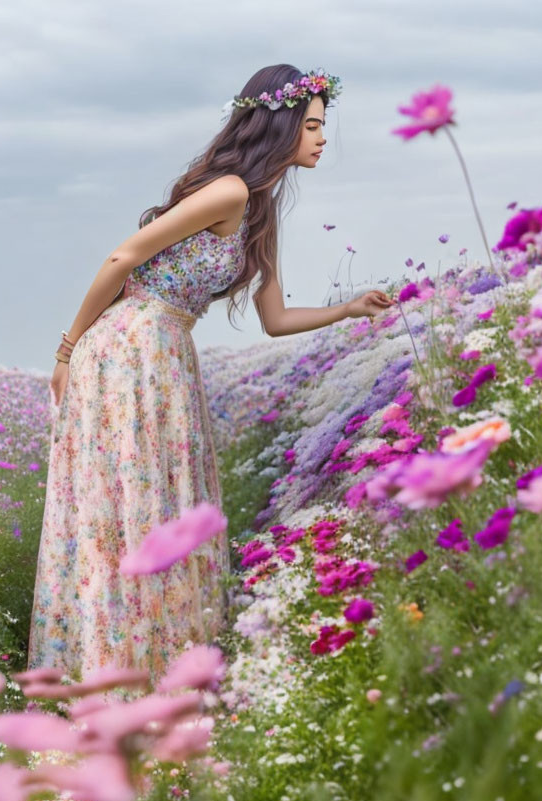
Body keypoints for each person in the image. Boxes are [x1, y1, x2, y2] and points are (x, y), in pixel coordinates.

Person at [27, 63, 395, 684]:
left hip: (170, 353)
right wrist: (67, 351)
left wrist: (350, 308)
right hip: (128, 347)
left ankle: (152, 668)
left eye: (322, 126)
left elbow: (274, 320)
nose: (322, 138)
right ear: (278, 128)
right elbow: (123, 256)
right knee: (124, 502)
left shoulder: (260, 213)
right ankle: (106, 671)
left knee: (158, 501)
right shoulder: (229, 191)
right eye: (311, 125)